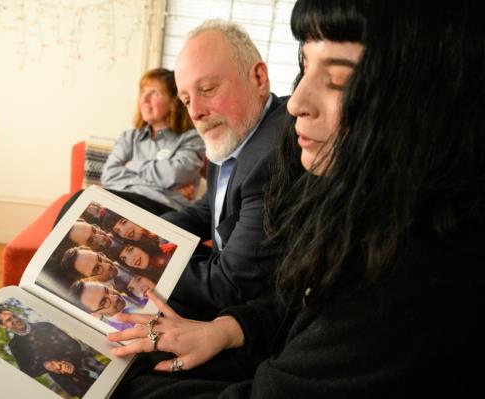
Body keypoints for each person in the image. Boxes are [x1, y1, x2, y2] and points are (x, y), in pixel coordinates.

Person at [106, 0, 485, 397]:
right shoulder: (364, 195)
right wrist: (231, 328)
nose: (298, 103)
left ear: (430, 93)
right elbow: (298, 300)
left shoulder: (413, 270)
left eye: (338, 79)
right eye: (304, 66)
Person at [162, 19, 302, 319]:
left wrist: (141, 262)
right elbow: (208, 209)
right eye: (186, 100)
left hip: (248, 312)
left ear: (259, 77)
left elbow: (228, 287)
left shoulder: (275, 154)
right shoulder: (235, 132)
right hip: (219, 271)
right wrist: (146, 232)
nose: (196, 112)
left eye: (208, 89)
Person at [101, 68, 206, 214]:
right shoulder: (128, 137)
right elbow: (109, 175)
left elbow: (176, 174)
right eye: (143, 92)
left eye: (154, 93)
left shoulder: (192, 138)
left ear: (173, 103)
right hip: (124, 202)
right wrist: (165, 190)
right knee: (79, 199)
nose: (144, 99)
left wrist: (132, 166)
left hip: (163, 210)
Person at [0, 309, 99, 397]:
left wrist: (67, 361)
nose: (15, 319)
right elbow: (27, 370)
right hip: (70, 383)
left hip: (87, 364)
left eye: (14, 315)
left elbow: (72, 344)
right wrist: (45, 365)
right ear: (3, 326)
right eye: (9, 320)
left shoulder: (45, 325)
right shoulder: (14, 345)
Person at [68, 279, 138, 330]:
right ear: (95, 314)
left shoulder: (131, 289)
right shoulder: (117, 331)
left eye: (107, 290)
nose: (115, 297)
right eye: (104, 302)